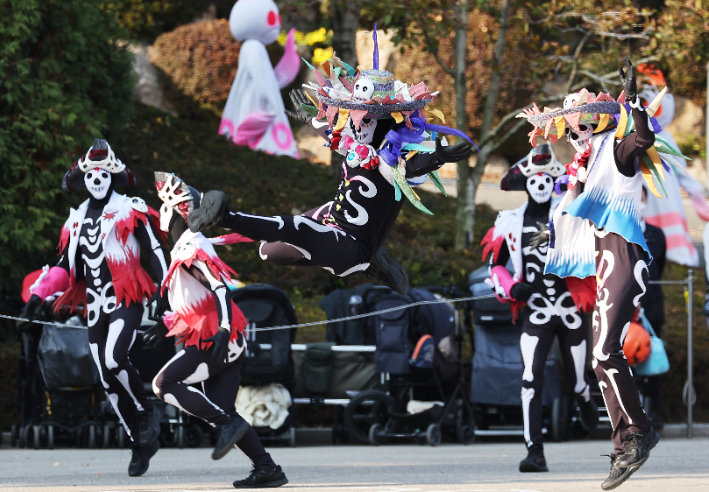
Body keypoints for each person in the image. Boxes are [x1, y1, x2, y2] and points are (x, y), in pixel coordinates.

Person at [187, 37, 474, 295]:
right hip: (332, 223)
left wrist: (438, 156)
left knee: (296, 227)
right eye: (354, 116)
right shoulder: (352, 142)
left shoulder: (391, 161)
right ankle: (373, 263)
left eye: (367, 119)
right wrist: (308, 117)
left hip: (352, 246)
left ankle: (224, 216)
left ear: (383, 123)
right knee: (267, 251)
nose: (356, 123)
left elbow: (413, 168)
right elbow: (331, 134)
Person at [517, 58, 686, 490]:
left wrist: (637, 106)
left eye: (583, 127)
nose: (577, 135)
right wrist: (552, 238)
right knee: (600, 357)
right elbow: (571, 212)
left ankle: (637, 435)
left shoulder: (616, 148)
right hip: (603, 259)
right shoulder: (585, 167)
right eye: (571, 130)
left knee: (606, 351)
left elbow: (642, 139)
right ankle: (627, 439)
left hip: (625, 255)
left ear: (600, 124)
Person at [22, 139, 167, 476]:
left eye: (104, 172)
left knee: (115, 359)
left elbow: (155, 251)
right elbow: (65, 267)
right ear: (83, 180)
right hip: (95, 304)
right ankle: (139, 441)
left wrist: (163, 288)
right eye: (91, 174)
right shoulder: (74, 221)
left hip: (126, 296)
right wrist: (36, 297)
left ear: (112, 176)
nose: (97, 178)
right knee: (104, 376)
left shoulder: (130, 209)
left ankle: (146, 413)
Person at [149, 172, 288, 489]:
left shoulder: (189, 246)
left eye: (162, 207)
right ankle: (267, 468)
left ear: (174, 210)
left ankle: (228, 425)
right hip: (227, 339)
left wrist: (223, 329)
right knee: (222, 411)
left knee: (164, 384)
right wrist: (165, 320)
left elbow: (220, 290)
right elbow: (196, 297)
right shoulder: (190, 244)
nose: (160, 214)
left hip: (215, 338)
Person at [480, 143, 598, 473]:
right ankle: (535, 451)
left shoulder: (571, 215)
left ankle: (584, 398)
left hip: (570, 308)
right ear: (527, 183)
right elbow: (495, 267)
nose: (543, 184)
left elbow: (593, 250)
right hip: (536, 310)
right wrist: (512, 286)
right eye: (536, 179)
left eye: (549, 178)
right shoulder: (509, 222)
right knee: (530, 379)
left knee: (576, 380)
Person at [636, 186, 666, 429]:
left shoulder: (657, 234)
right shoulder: (620, 234)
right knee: (627, 360)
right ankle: (633, 412)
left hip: (652, 305)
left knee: (653, 358)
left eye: (641, 197)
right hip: (627, 305)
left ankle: (654, 411)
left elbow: (660, 266)